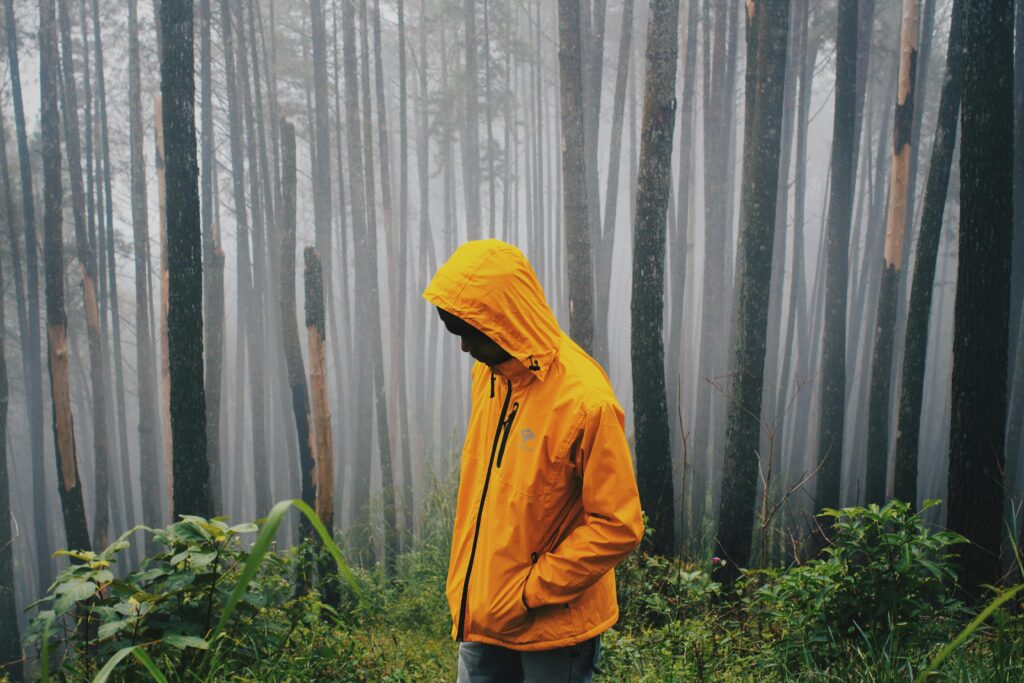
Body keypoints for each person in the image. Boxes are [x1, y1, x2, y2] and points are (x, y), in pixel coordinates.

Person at [423, 239, 644, 683]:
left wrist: (528, 593)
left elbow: (619, 525)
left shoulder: (585, 402)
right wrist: (485, 592)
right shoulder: (489, 375)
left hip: (553, 631)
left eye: (470, 331)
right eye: (455, 330)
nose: (465, 347)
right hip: (483, 613)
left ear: (505, 322)